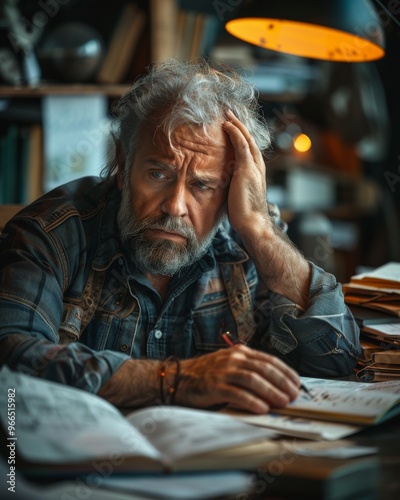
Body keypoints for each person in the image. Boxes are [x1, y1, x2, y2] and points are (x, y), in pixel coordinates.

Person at [0, 59, 361, 413]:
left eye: (203, 185)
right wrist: (175, 380)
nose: (175, 207)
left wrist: (261, 228)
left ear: (231, 187)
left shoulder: (247, 235)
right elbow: (12, 362)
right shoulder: (53, 233)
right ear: (124, 167)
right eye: (158, 174)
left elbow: (337, 360)